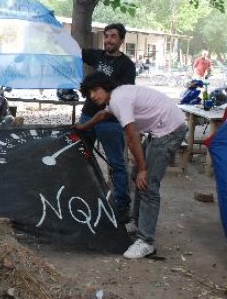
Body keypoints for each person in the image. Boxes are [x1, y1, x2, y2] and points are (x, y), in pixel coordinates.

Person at [74, 72, 188, 259]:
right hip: (160, 128)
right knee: (137, 176)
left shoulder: (120, 100)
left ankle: (146, 241)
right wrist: (84, 127)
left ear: (105, 86)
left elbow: (132, 136)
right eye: (89, 93)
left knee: (148, 184)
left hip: (169, 130)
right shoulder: (114, 98)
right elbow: (102, 115)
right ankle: (137, 223)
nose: (93, 96)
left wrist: (144, 168)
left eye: (95, 90)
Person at [79, 23, 136, 224]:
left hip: (110, 120)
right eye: (106, 36)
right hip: (88, 115)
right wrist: (55, 33)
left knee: (117, 164)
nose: (108, 40)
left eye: (113, 36)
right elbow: (73, 51)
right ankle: (82, 198)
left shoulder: (127, 66)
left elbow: (126, 93)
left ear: (121, 40)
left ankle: (122, 206)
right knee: (80, 156)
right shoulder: (97, 56)